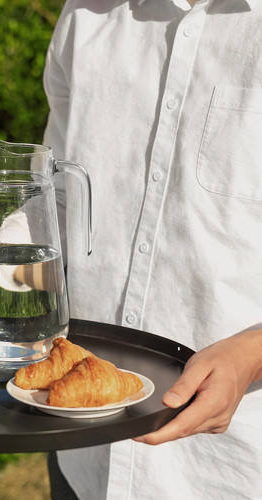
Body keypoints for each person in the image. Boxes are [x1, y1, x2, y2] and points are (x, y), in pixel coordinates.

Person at [40, 0, 262, 498]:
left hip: (231, 470)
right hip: (81, 451)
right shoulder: (87, 15)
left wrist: (254, 354)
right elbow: (53, 203)